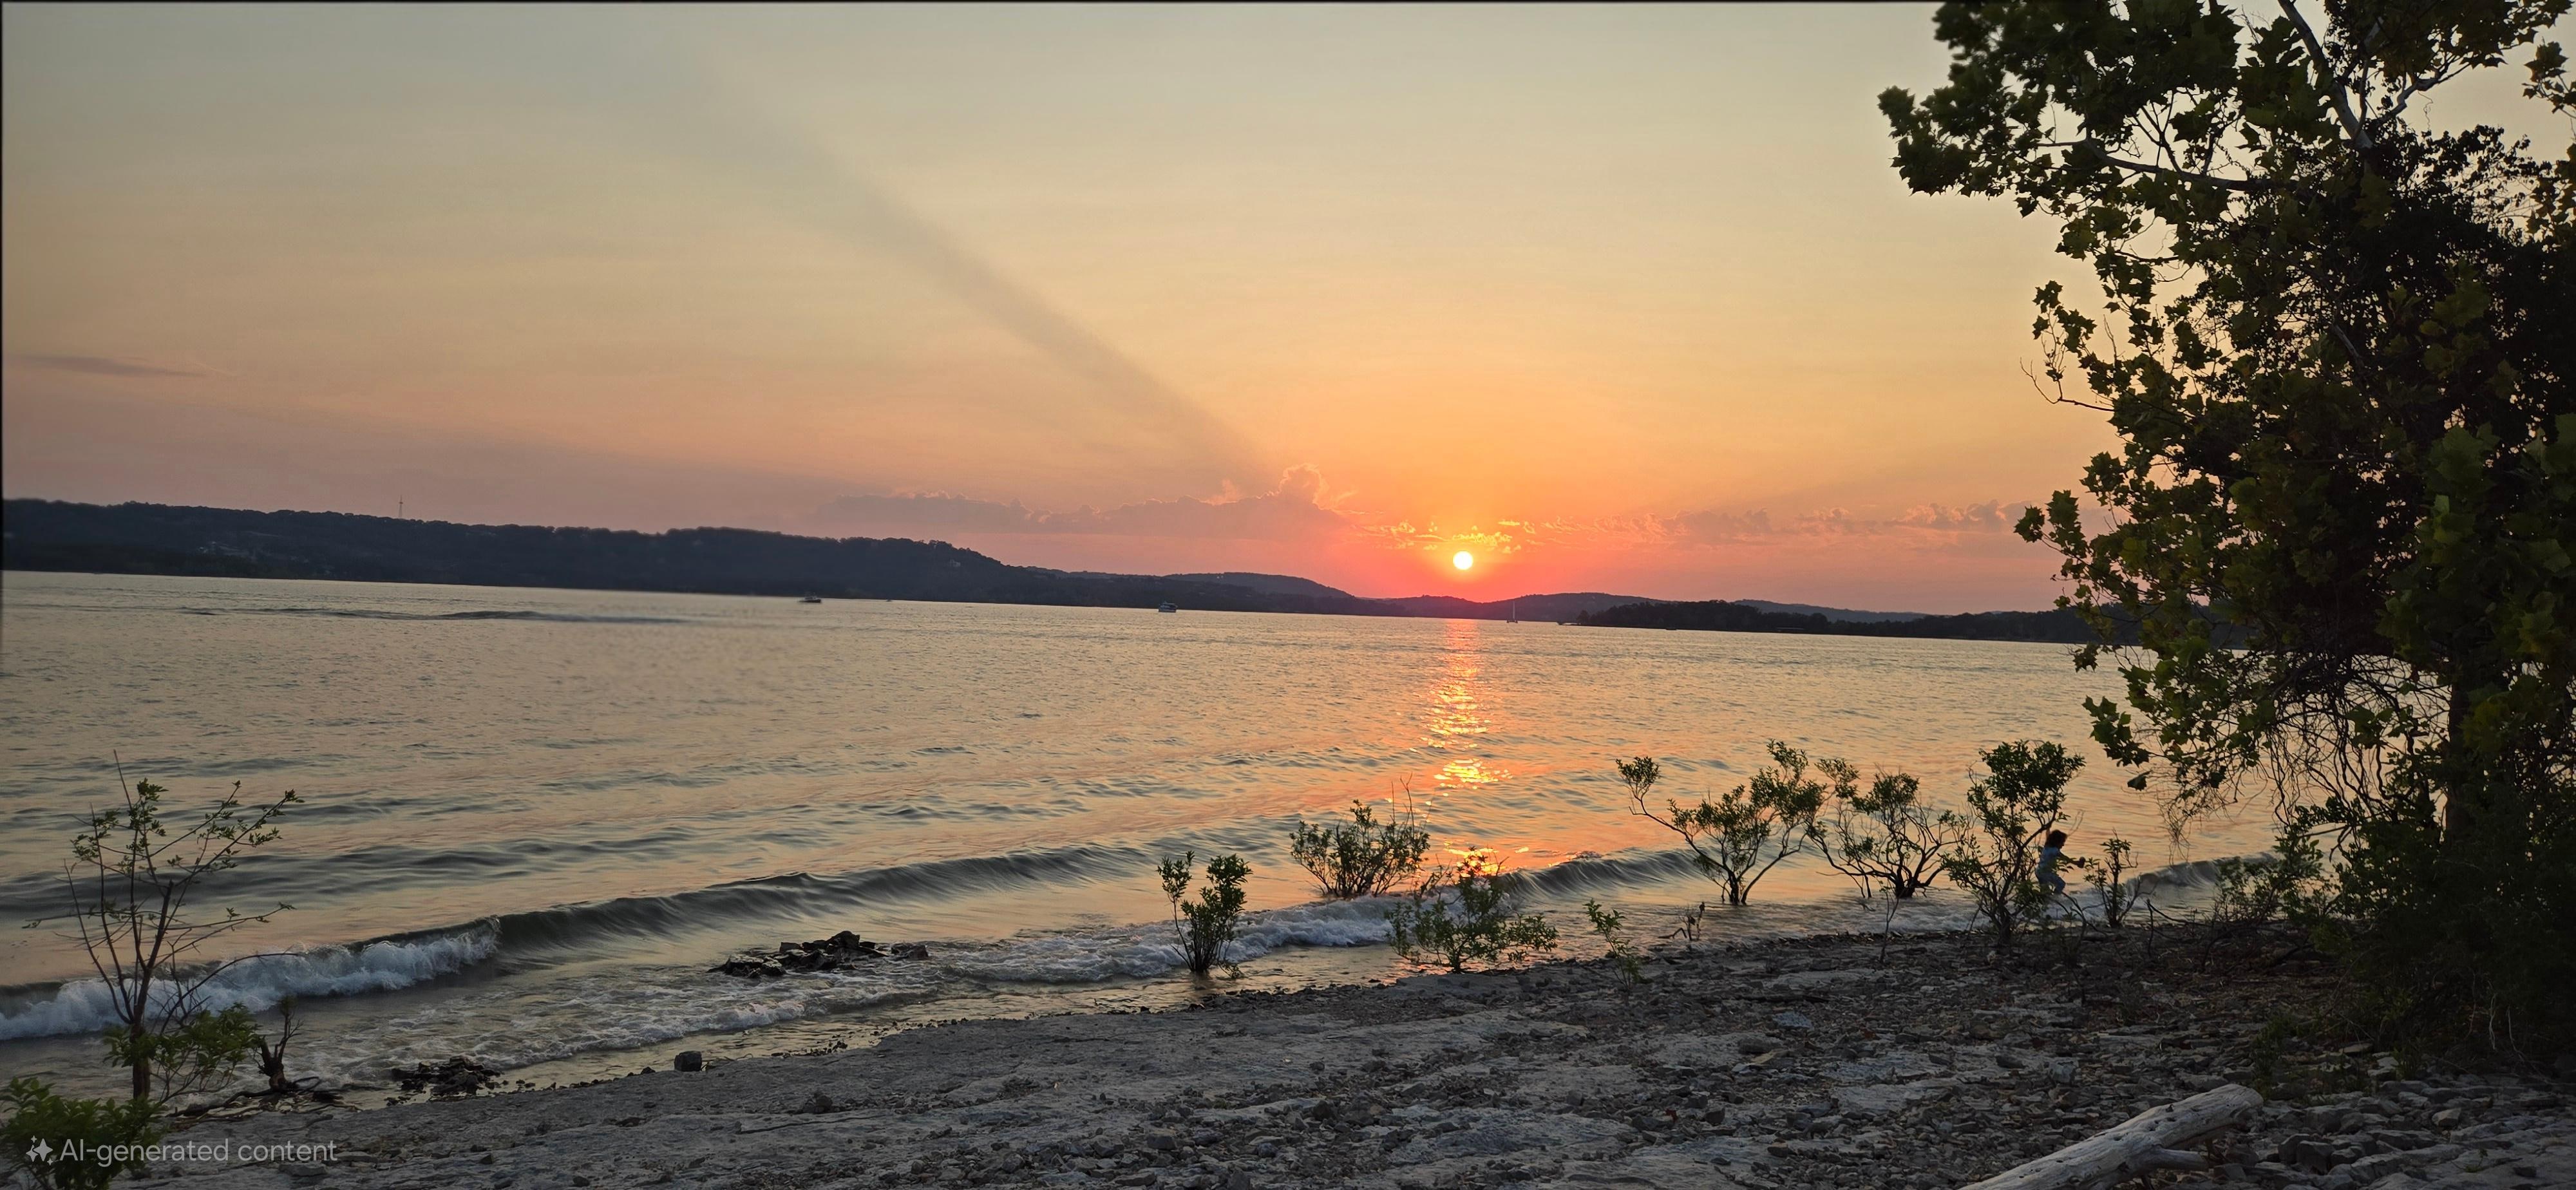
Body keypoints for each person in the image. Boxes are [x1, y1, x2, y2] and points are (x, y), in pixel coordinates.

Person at [2036, 829, 2069, 896]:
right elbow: (2064, 858)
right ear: (2057, 842)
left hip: (2039, 871)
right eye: (2062, 843)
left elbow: (2048, 835)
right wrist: (2076, 863)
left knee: (2045, 891)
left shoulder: (2047, 846)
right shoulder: (2055, 851)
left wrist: (2048, 828)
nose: (2063, 845)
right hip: (2046, 873)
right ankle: (2055, 898)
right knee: (2061, 884)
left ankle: (2044, 900)